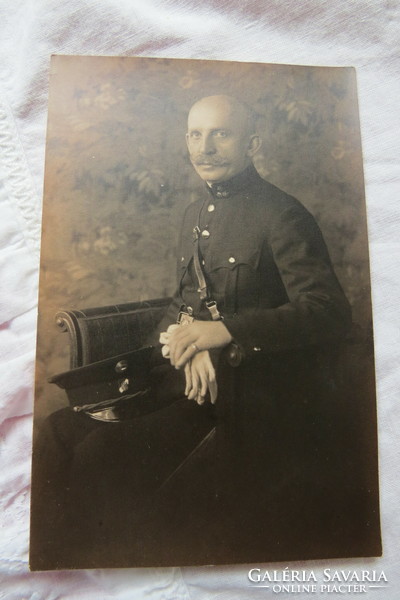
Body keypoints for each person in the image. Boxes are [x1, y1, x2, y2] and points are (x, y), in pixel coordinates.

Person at [31, 95, 355, 570]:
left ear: (252, 143)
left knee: (100, 455)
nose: (206, 147)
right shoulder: (193, 215)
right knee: (55, 431)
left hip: (251, 393)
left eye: (221, 134)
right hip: (189, 377)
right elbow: (183, 304)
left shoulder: (282, 214)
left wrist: (221, 333)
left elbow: (327, 312)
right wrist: (188, 338)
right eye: (196, 134)